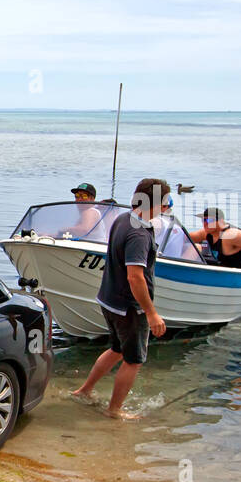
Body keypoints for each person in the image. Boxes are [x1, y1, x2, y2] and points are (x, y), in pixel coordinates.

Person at [71, 177, 171, 419]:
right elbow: (135, 277)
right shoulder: (139, 234)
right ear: (154, 203)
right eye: (166, 203)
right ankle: (114, 411)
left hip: (109, 300)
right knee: (133, 360)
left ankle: (84, 391)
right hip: (129, 308)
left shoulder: (123, 218)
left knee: (116, 349)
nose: (167, 208)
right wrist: (151, 312)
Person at [186, 207, 241, 274]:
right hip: (223, 268)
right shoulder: (207, 233)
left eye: (209, 220)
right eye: (204, 220)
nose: (205, 223)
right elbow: (185, 237)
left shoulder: (230, 235)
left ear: (221, 222)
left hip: (240, 273)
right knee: (194, 247)